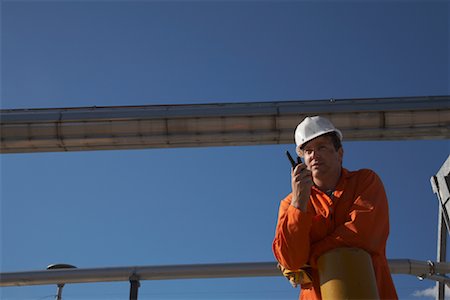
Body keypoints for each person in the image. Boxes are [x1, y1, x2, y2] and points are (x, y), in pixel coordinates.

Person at [272, 116, 398, 299]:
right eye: (308, 151)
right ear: (302, 160)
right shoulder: (290, 204)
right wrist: (299, 202)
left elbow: (361, 235)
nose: (314, 155)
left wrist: (310, 258)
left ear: (340, 153)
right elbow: (291, 260)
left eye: (321, 147)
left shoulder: (365, 181)